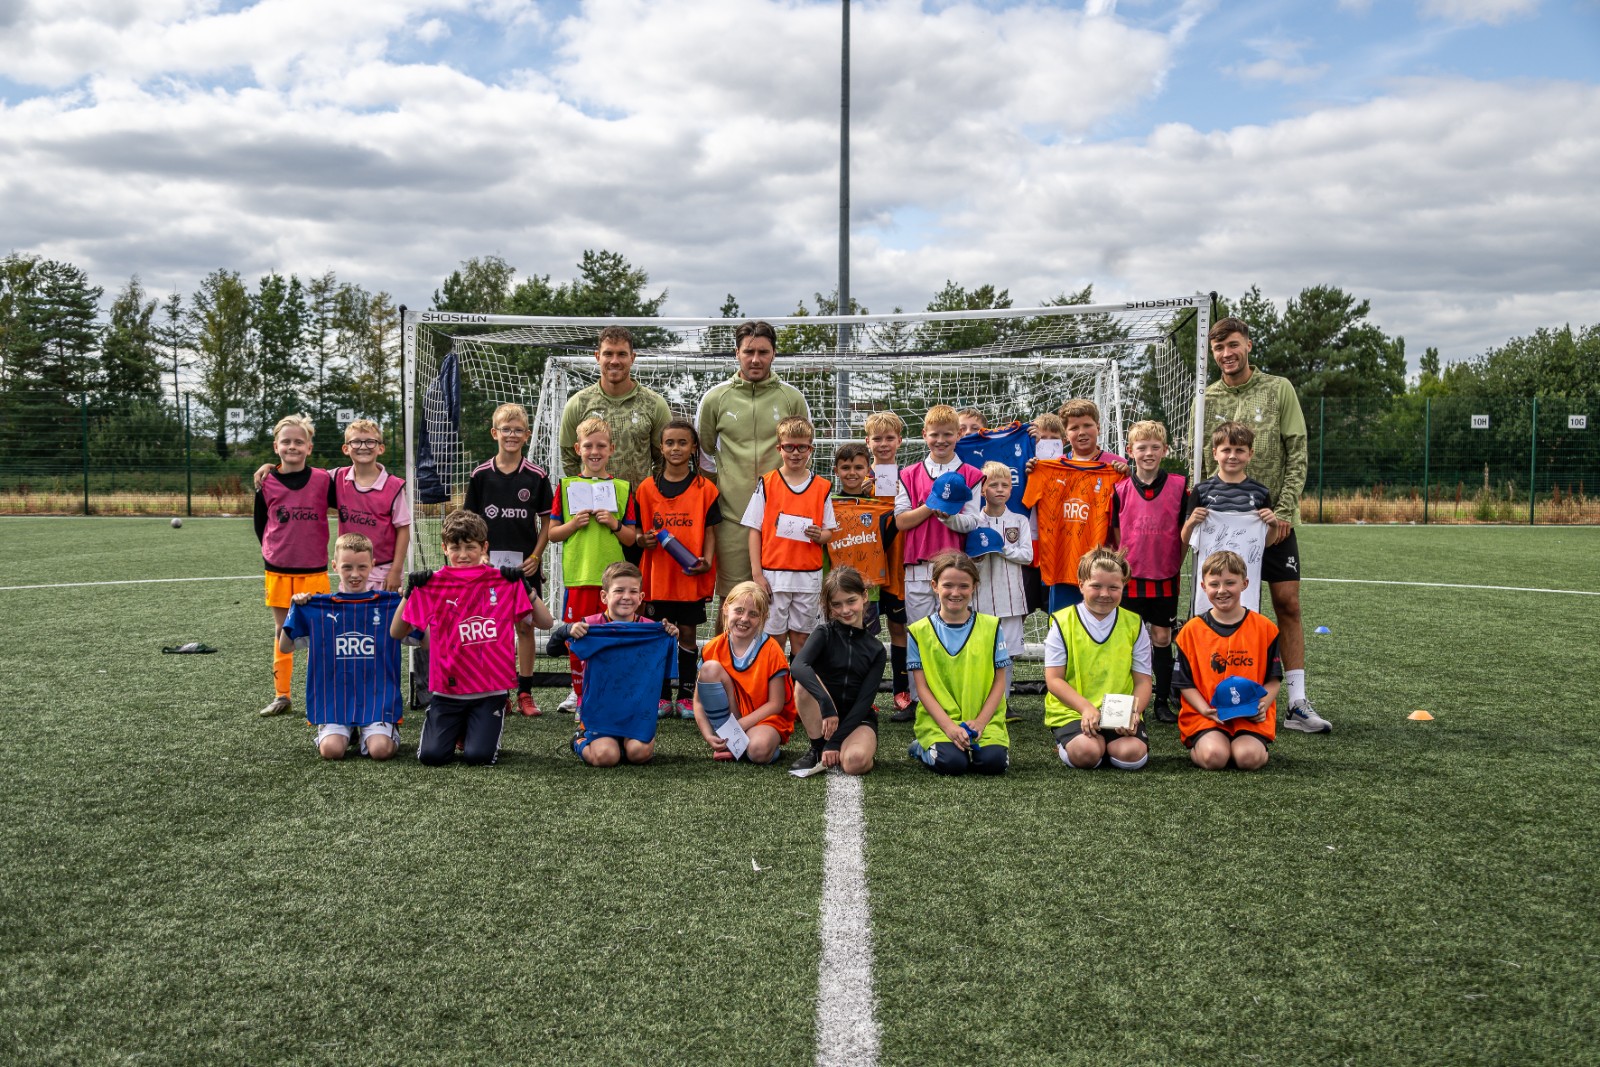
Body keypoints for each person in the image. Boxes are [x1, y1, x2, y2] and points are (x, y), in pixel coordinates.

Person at [1199, 316, 1329, 733]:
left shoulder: (1279, 389)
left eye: (1233, 345)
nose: (1226, 354)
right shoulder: (1206, 397)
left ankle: (1296, 702)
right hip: (1222, 526)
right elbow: (1199, 461)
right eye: (1219, 348)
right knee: (1224, 608)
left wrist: (1285, 510)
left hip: (1271, 521)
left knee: (1287, 604)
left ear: (1248, 345)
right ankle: (1217, 699)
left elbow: (1298, 451)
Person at [392, 510, 543, 767]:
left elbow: (546, 622)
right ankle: (460, 727)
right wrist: (409, 592)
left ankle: (485, 721)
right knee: (432, 757)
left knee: (478, 757)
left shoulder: (502, 581)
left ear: (484, 547)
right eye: (455, 548)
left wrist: (526, 588)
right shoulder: (433, 584)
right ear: (444, 548)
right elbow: (397, 632)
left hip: (489, 690)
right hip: (448, 691)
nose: (463, 555)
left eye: (470, 547)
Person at [696, 320, 810, 607]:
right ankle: (723, 654)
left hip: (782, 519)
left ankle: (773, 655)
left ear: (773, 354)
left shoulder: (792, 397)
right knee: (733, 601)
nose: (755, 359)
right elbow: (705, 456)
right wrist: (721, 500)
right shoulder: (715, 399)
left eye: (763, 352)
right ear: (737, 353)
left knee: (780, 600)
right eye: (749, 352)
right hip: (732, 519)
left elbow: (803, 452)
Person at [463, 402, 554, 717]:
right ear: (495, 433)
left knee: (526, 627)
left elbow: (547, 523)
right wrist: (481, 555)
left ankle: (525, 693)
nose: (512, 435)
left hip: (523, 566)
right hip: (487, 568)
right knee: (492, 629)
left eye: (518, 430)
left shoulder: (536, 476)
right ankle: (498, 692)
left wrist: (536, 556)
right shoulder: (480, 476)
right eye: (506, 429)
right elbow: (468, 525)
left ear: (527, 435)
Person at [280, 533, 405, 761]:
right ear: (335, 566)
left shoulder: (390, 605)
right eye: (347, 567)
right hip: (336, 700)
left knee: (380, 751)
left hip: (376, 699)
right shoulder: (317, 607)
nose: (355, 574)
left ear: (373, 566)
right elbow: (285, 647)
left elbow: (424, 640)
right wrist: (294, 608)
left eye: (362, 567)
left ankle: (383, 730)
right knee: (331, 751)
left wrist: (408, 601)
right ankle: (345, 730)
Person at [250, 419, 411, 593]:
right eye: (356, 441)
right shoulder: (335, 478)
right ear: (346, 448)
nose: (363, 446)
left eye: (370, 441)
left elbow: (403, 529)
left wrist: (396, 570)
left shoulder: (393, 487)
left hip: (384, 570)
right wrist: (271, 468)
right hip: (350, 569)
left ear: (380, 448)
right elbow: (298, 473)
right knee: (351, 617)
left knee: (385, 619)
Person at [549, 417, 638, 712]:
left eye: (601, 445)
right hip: (579, 576)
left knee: (612, 635)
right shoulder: (565, 487)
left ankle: (608, 688)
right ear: (578, 448)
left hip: (612, 581)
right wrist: (574, 524)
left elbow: (630, 539)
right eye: (588, 446)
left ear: (612, 449)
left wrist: (613, 523)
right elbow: (552, 534)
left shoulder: (623, 489)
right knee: (577, 635)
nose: (595, 451)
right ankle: (577, 691)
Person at [635, 418, 720, 717]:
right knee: (656, 634)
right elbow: (638, 532)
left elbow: (711, 531)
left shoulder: (705, 489)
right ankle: (660, 697)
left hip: (688, 576)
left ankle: (685, 695)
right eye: (670, 442)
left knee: (686, 632)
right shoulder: (646, 488)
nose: (676, 448)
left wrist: (707, 561)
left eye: (683, 442)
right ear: (661, 447)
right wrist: (641, 539)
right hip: (656, 577)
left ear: (694, 447)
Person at [1043, 547, 1153, 772]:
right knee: (1087, 753)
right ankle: (1074, 743)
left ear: (1123, 586)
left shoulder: (1134, 623)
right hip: (1073, 710)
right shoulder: (1062, 622)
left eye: (1114, 587)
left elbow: (1143, 681)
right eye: (1096, 586)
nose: (1105, 594)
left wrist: (1133, 713)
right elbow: (1054, 680)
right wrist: (1085, 708)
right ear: (1081, 584)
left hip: (1119, 712)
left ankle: (1107, 744)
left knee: (1131, 756)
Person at [1174, 549, 1283, 771]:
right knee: (1214, 757)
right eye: (1214, 584)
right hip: (1206, 714)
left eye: (1230, 583)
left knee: (1247, 759)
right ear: (1204, 587)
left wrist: (1263, 705)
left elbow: (1274, 679)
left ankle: (1252, 748)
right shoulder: (1191, 631)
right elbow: (1184, 683)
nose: (1222, 590)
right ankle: (1202, 749)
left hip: (1248, 714)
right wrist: (1205, 710)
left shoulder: (1265, 629)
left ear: (1245, 583)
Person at [1109, 420, 1187, 723]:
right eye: (1142, 447)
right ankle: (1123, 702)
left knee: (1162, 637)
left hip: (1165, 577)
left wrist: (1174, 564)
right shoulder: (1120, 489)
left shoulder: (1180, 487)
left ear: (1165, 450)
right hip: (1131, 579)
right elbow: (1117, 533)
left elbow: (1184, 533)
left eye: (1155, 447)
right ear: (1130, 451)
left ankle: (1161, 702)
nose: (1149, 452)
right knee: (1125, 639)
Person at [255, 413, 332, 718]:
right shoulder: (266, 480)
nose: (292, 446)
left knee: (319, 634)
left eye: (299, 441)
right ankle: (282, 695)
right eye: (286, 441)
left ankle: (323, 693)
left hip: (313, 570)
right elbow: (261, 524)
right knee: (281, 631)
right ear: (276, 446)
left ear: (309, 447)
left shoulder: (324, 479)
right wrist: (275, 551)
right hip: (278, 569)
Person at [906, 552, 1010, 776]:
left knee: (992, 763)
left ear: (974, 586)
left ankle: (986, 741)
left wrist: (981, 723)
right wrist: (949, 728)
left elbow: (1000, 681)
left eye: (963, 586)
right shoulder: (918, 631)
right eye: (948, 585)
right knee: (953, 764)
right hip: (939, 721)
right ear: (935, 586)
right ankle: (921, 746)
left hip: (983, 719)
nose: (955, 592)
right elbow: (922, 689)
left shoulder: (992, 627)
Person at [567, 562, 678, 767]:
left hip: (637, 711)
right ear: (604, 596)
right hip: (601, 710)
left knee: (639, 754)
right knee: (606, 758)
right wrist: (568, 629)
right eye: (619, 590)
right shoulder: (590, 625)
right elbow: (554, 647)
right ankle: (579, 740)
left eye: (633, 591)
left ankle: (625, 744)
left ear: (641, 598)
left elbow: (666, 666)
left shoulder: (652, 630)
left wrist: (670, 636)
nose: (626, 596)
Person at [557, 325, 672, 523]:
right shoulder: (578, 403)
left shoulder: (654, 404)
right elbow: (569, 457)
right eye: (608, 354)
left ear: (632, 357)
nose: (615, 361)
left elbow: (664, 458)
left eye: (622, 354)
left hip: (639, 511)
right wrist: (588, 494)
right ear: (597, 356)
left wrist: (649, 495)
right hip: (593, 512)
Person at [742, 415, 835, 655]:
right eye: (789, 447)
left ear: (810, 448)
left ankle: (798, 692)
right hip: (774, 575)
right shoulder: (767, 483)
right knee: (773, 640)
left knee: (802, 640)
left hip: (808, 576)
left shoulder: (822, 486)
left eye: (802, 447)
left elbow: (829, 532)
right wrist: (756, 574)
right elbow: (754, 529)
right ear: (779, 448)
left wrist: (819, 535)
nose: (795, 453)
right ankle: (776, 692)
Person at [786, 566, 886, 778]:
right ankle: (816, 748)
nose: (845, 610)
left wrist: (836, 741)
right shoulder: (824, 633)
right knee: (803, 683)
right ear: (829, 607)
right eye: (837, 605)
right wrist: (826, 703)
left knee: (854, 763)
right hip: (824, 717)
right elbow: (797, 666)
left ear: (864, 596)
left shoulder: (876, 649)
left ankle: (853, 747)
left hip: (858, 720)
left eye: (851, 601)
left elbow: (864, 703)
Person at [894, 404, 985, 624]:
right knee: (921, 631)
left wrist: (949, 517)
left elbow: (972, 521)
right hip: (918, 565)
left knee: (955, 628)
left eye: (948, 434)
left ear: (959, 434)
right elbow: (901, 521)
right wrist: (930, 507)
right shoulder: (909, 474)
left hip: (956, 567)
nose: (941, 440)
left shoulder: (972, 474)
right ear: (925, 435)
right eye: (934, 434)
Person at [692, 581, 798, 765]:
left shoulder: (772, 650)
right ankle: (729, 740)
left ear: (764, 617)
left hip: (765, 719)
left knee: (758, 751)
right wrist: (708, 735)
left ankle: (747, 743)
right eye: (739, 610)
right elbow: (698, 701)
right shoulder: (713, 647)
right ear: (726, 608)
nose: (744, 619)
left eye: (753, 614)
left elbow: (776, 704)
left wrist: (740, 726)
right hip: (732, 719)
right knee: (710, 669)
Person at [1180, 421, 1275, 616]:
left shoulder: (1260, 493)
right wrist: (1191, 523)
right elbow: (1185, 538)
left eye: (1240, 450)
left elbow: (1265, 543)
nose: (1232, 456)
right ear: (1215, 453)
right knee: (1205, 621)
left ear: (1250, 454)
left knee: (1244, 620)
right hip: (1210, 575)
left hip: (1245, 573)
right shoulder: (1201, 491)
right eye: (1226, 450)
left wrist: (1272, 525)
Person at [968, 461, 1032, 714]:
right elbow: (969, 558)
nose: (1000, 489)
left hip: (1012, 599)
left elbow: (1027, 555)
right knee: (981, 654)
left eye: (1005, 485)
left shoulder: (1019, 521)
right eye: (993, 484)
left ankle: (1003, 703)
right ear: (982, 489)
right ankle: (981, 702)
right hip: (979, 601)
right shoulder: (973, 521)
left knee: (1008, 655)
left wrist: (1000, 547)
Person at [864, 410, 916, 721]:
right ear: (867, 442)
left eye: (889, 438)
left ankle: (902, 689)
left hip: (898, 566)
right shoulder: (859, 475)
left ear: (899, 440)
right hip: (867, 568)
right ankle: (865, 693)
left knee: (900, 629)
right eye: (877, 439)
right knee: (866, 631)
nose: (883, 444)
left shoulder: (907, 478)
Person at [825, 443, 896, 629]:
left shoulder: (878, 506)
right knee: (837, 642)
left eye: (858, 467)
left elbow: (895, 528)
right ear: (836, 470)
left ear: (867, 470)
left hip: (869, 588)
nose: (852, 473)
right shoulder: (828, 505)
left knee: (866, 641)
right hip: (836, 587)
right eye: (846, 468)